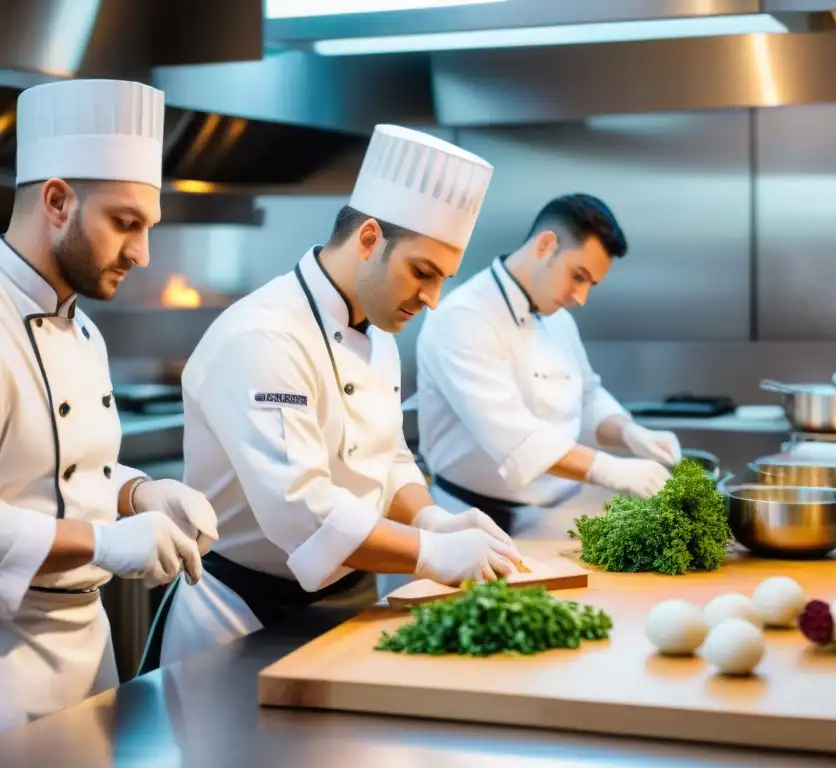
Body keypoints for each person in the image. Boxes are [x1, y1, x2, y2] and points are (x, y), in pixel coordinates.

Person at [140, 124, 520, 672]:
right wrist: (430, 553)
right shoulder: (264, 336)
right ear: (369, 239)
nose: (433, 299)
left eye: (445, 279)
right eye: (423, 272)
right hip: (241, 622)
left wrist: (433, 518)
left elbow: (387, 458)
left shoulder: (379, 331)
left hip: (344, 610)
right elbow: (303, 510)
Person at [0, 78, 219, 730]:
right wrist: (103, 539)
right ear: (59, 201)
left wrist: (142, 494)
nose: (143, 254)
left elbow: (61, 471)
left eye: (148, 228)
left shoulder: (85, 329)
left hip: (89, 652)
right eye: (126, 223)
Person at [415, 193, 683, 534]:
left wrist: (629, 433)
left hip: (558, 517)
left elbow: (586, 397)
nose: (581, 297)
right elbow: (517, 440)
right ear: (545, 245)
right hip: (474, 524)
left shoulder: (557, 318)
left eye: (590, 285)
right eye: (578, 276)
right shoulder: (464, 317)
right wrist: (610, 469)